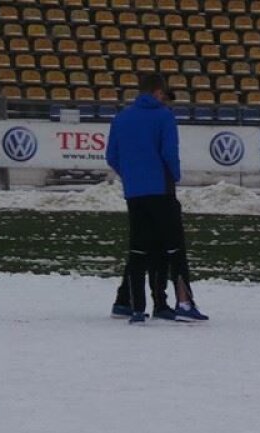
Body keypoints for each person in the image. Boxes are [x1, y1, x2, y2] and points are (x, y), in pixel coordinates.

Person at [106, 76, 208, 323]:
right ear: (159, 92)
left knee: (141, 246)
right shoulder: (164, 116)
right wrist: (173, 175)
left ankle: (128, 301)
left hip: (135, 192)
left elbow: (112, 156)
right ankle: (182, 301)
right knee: (173, 246)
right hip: (161, 189)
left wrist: (131, 176)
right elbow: (169, 152)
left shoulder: (121, 118)